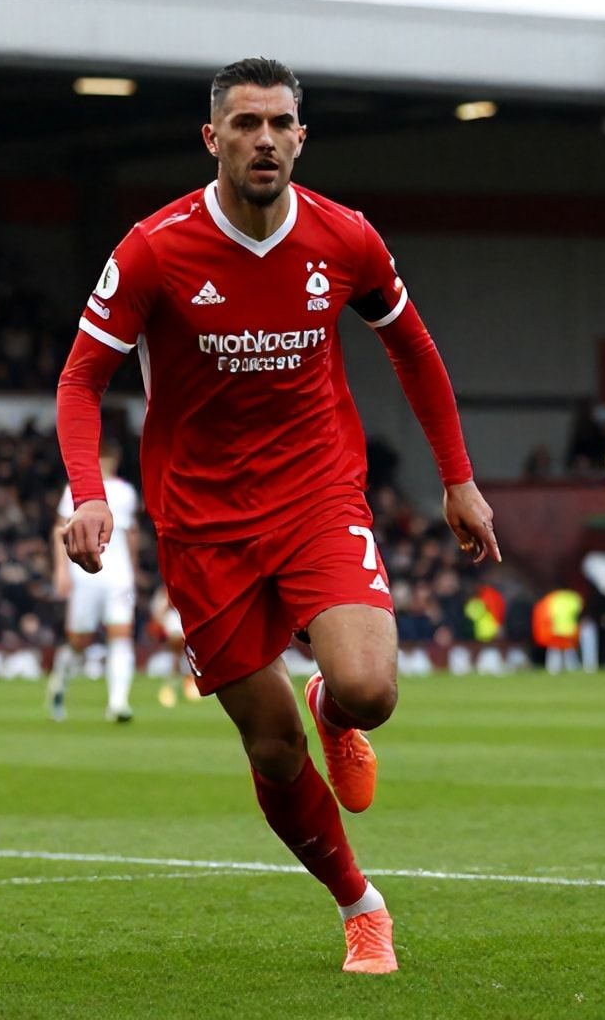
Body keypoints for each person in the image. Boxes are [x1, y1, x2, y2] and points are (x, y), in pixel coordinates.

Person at [56, 57, 498, 975]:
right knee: (270, 743)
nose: (265, 138)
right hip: (198, 521)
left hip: (315, 495)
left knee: (372, 688)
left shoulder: (347, 238)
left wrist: (458, 478)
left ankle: (336, 707)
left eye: (281, 123)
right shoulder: (153, 249)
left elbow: (413, 351)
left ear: (302, 135)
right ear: (212, 137)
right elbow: (80, 378)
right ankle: (359, 904)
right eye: (246, 123)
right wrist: (90, 495)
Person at [47, 441, 140, 722]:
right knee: (80, 639)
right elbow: (60, 530)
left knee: (121, 634)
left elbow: (131, 534)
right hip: (84, 573)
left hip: (118, 574)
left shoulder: (125, 492)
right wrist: (61, 570)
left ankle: (118, 703)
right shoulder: (76, 490)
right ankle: (59, 683)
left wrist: (133, 572)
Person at [149, 584, 202, 708]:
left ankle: (185, 682)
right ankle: (176, 684)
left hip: (186, 613)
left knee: (189, 647)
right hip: (175, 614)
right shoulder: (167, 588)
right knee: (178, 642)